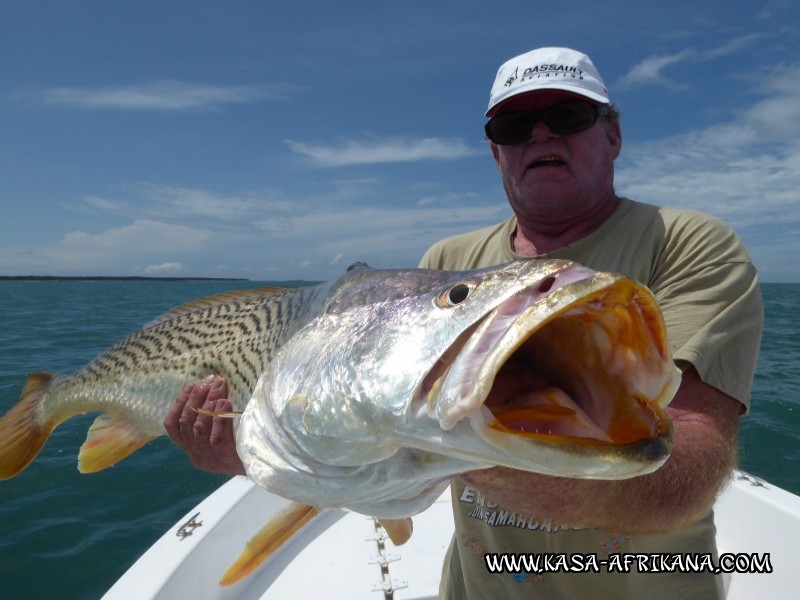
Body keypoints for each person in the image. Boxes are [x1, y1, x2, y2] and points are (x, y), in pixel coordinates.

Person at [164, 47, 763, 599]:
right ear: (495, 151)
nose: (540, 134)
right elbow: (386, 456)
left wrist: (458, 442)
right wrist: (270, 453)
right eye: (513, 126)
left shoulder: (686, 243)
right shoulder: (447, 262)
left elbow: (686, 466)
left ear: (613, 135)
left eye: (568, 115)